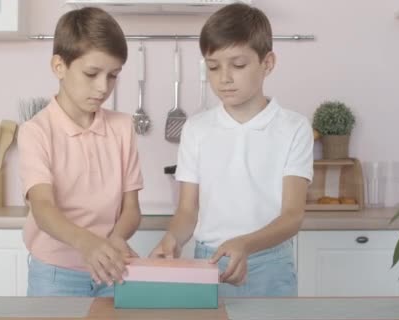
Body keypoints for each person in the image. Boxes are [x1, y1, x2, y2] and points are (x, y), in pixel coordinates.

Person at [150, 3, 313, 297]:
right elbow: (188, 209)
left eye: (238, 65)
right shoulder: (196, 129)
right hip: (207, 263)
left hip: (269, 263)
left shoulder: (294, 128)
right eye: (213, 66)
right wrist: (172, 239)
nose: (224, 77)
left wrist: (245, 244)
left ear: (268, 63)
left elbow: (292, 215)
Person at [18, 7, 143, 297]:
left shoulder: (123, 127)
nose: (103, 88)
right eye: (91, 74)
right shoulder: (36, 131)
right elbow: (43, 209)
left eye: (113, 76)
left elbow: (132, 209)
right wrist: (88, 244)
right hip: (54, 275)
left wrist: (114, 242)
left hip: (112, 269)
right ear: (59, 66)